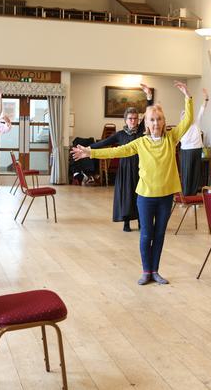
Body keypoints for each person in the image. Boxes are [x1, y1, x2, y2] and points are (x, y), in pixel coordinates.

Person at [71, 80, 193, 285]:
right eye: (152, 120)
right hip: (145, 196)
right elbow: (115, 151)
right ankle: (146, 271)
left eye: (159, 120)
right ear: (147, 124)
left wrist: (187, 97)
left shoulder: (171, 138)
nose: (155, 123)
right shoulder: (140, 142)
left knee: (160, 234)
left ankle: (155, 270)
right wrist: (89, 151)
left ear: (164, 122)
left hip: (166, 196)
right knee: (146, 234)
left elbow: (187, 121)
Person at [89, 107, 141, 232]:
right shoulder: (120, 134)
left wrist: (149, 97)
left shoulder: (142, 132)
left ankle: (141, 222)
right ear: (125, 120)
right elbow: (103, 143)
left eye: (135, 118)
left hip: (140, 168)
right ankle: (126, 222)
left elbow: (149, 111)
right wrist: (87, 148)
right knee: (126, 195)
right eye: (130, 118)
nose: (133, 121)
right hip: (125, 169)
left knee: (140, 195)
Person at [179, 87, 208, 196]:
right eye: (184, 115)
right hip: (186, 151)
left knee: (196, 173)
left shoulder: (196, 123)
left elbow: (202, 110)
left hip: (197, 150)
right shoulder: (181, 127)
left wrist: (206, 99)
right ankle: (186, 196)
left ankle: (193, 196)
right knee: (187, 174)